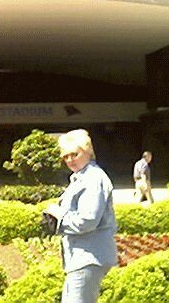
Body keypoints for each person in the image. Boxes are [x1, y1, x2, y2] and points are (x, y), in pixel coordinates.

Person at [45, 129, 117, 303]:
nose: (70, 160)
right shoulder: (80, 177)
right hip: (81, 257)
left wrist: (59, 218)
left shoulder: (93, 179)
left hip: (89, 257)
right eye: (66, 156)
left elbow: (88, 220)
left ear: (88, 151)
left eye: (74, 154)